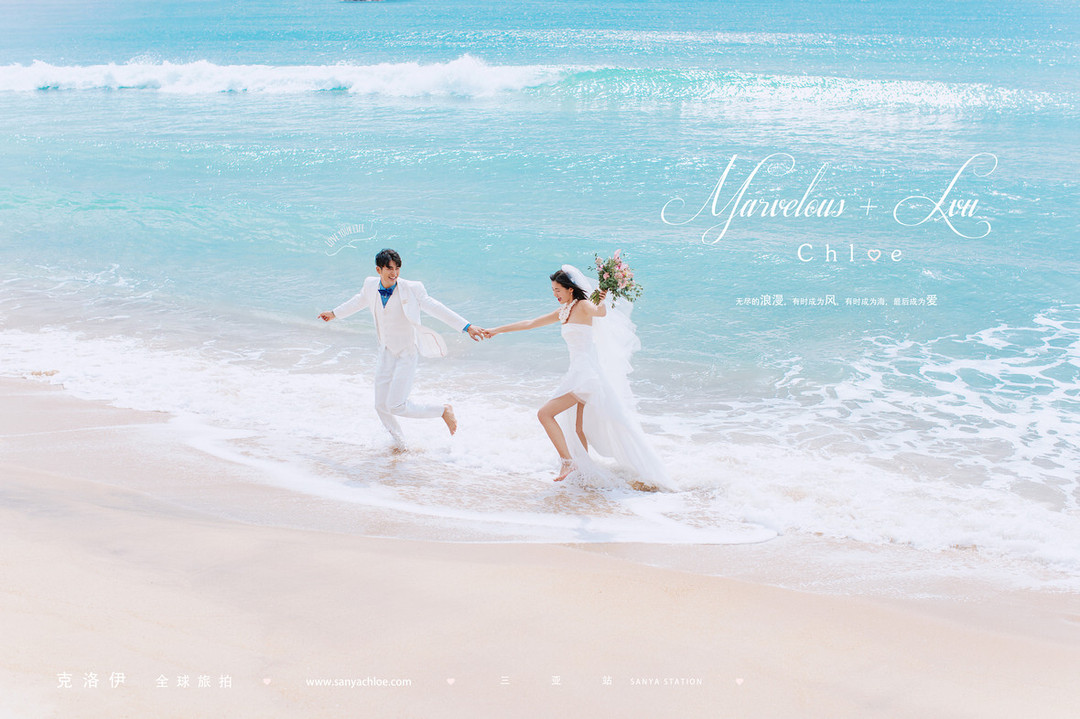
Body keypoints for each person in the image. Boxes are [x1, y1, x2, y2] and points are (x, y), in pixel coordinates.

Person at [486, 265, 675, 491]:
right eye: (553, 290)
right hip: (578, 372)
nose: (555, 294)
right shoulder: (564, 311)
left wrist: (602, 298)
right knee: (578, 428)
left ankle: (568, 463)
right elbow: (530, 323)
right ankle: (585, 475)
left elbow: (600, 313)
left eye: (558, 290)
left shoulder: (584, 305)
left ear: (570, 289)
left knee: (545, 414)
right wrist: (496, 330)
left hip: (585, 374)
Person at [319, 249, 488, 447]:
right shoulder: (370, 285)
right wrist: (334, 313)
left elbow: (436, 308)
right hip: (385, 351)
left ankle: (442, 410)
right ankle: (401, 445)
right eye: (390, 269)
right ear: (379, 270)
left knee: (396, 405)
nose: (394, 273)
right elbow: (357, 301)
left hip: (406, 352)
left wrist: (466, 326)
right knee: (380, 405)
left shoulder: (412, 289)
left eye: (397, 268)